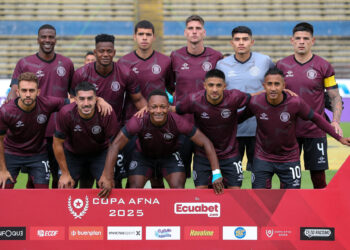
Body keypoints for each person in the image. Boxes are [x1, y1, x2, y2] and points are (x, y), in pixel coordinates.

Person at [238, 67, 350, 189]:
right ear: (264, 85)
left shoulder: (295, 103)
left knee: (291, 201)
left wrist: (339, 138)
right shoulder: (255, 102)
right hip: (262, 158)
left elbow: (317, 119)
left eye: (277, 84)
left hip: (289, 159)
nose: (273, 88)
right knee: (260, 198)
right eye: (269, 84)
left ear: (284, 85)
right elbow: (237, 119)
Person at [99, 90, 224, 198]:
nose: (158, 111)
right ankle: (134, 223)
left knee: (178, 188)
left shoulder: (178, 121)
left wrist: (216, 173)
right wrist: (107, 176)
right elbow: (115, 145)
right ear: (147, 107)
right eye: (154, 107)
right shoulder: (138, 120)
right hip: (143, 156)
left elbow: (206, 142)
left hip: (169, 156)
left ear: (168, 107)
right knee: (134, 188)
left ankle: (175, 221)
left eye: (162, 107)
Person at [71, 34, 147, 188]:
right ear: (95, 52)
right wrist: (98, 99)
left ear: (114, 52)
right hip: (86, 133)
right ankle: (90, 212)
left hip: (113, 134)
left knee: (114, 181)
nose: (105, 54)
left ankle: (113, 211)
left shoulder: (125, 73)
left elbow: (139, 100)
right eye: (101, 51)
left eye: (109, 51)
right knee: (86, 181)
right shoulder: (81, 73)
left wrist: (150, 115)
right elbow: (73, 100)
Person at [276, 22, 344, 189]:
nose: (301, 42)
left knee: (318, 178)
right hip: (288, 131)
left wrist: (335, 121)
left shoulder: (324, 66)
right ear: (292, 41)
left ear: (312, 41)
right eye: (298, 38)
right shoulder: (281, 66)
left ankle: (323, 213)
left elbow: (335, 97)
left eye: (305, 38)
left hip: (316, 130)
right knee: (289, 178)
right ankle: (288, 211)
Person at [7, 24, 75, 189]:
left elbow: (73, 96)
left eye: (51, 37)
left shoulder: (66, 63)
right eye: (44, 37)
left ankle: (54, 214)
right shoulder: (24, 63)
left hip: (59, 132)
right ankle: (32, 214)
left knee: (59, 178)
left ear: (55, 39)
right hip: (34, 132)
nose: (47, 40)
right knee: (35, 180)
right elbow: (14, 92)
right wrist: (9, 103)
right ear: (38, 39)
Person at [117, 20, 173, 188]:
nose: (144, 38)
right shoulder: (123, 62)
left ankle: (159, 212)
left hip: (159, 125)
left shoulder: (165, 61)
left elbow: (171, 88)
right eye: (141, 34)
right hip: (132, 123)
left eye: (148, 34)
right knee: (133, 174)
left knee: (157, 175)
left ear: (154, 37)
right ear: (134, 37)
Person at [174, 69, 252, 189]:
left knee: (236, 195)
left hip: (230, 155)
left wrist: (278, 93)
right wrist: (149, 108)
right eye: (211, 85)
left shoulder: (234, 97)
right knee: (201, 196)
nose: (214, 89)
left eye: (218, 85)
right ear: (204, 85)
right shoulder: (194, 100)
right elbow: (174, 110)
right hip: (202, 156)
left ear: (224, 86)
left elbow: (255, 99)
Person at [170, 15, 222, 180]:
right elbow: (169, 85)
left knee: (208, 175)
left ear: (204, 32)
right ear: (185, 32)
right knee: (179, 176)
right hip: (181, 124)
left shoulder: (216, 57)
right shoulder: (175, 57)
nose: (194, 32)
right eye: (191, 29)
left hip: (208, 124)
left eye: (198, 28)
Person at [216, 26, 274, 172]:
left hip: (260, 128)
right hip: (232, 129)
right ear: (231, 43)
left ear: (252, 42)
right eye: (237, 39)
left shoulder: (265, 61)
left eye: (245, 39)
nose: (241, 43)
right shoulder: (221, 65)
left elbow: (275, 84)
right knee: (231, 176)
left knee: (261, 176)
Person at [0, 72, 69, 188]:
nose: (28, 94)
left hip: (37, 154)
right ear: (17, 92)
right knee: (4, 187)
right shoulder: (6, 111)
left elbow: (77, 102)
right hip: (11, 153)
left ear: (38, 92)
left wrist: (98, 100)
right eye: (24, 90)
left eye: (31, 91)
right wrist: (2, 170)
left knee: (42, 192)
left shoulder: (46, 103)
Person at [53, 82, 118, 191]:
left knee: (106, 186)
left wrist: (107, 174)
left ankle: (100, 208)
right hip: (73, 153)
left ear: (96, 99)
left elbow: (114, 145)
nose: (86, 103)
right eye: (82, 99)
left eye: (90, 99)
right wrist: (65, 173)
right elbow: (57, 143)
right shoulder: (66, 113)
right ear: (76, 99)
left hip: (100, 153)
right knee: (65, 187)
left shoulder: (107, 113)